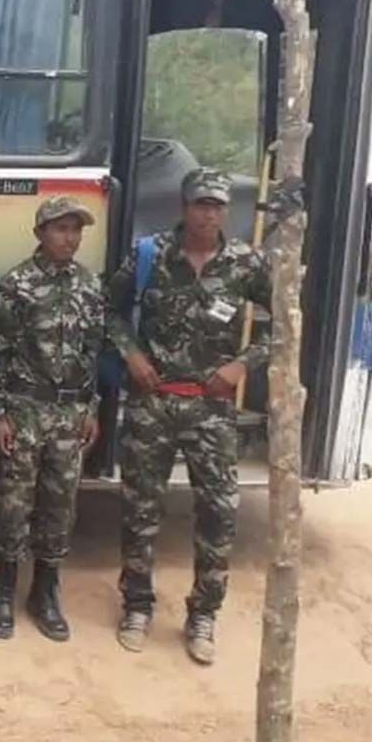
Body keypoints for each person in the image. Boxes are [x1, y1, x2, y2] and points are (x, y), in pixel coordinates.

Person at [107, 168, 273, 665]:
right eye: (201, 204)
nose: (209, 213)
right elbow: (108, 311)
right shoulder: (150, 256)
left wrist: (242, 364)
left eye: (217, 205)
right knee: (140, 511)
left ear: (226, 211)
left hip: (211, 407)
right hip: (153, 404)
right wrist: (131, 354)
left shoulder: (246, 262)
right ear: (184, 207)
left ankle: (204, 614)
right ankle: (136, 605)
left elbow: (285, 323)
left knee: (218, 514)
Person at [0, 197, 105, 643]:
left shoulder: (90, 286)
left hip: (71, 413)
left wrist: (91, 409)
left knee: (60, 504)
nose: (69, 238)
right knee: (14, 503)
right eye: (60, 229)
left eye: (76, 230)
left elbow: (93, 352)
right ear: (40, 233)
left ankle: (46, 591)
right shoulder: (15, 287)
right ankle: (2, 589)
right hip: (25, 409)